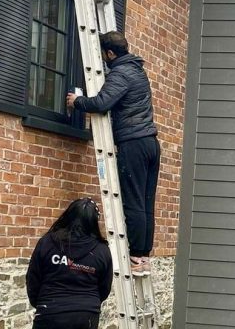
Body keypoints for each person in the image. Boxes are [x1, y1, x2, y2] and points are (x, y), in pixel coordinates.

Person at [66, 30, 160, 274]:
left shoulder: (122, 73)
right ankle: (143, 256)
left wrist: (77, 101)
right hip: (150, 142)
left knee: (134, 202)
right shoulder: (137, 70)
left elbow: (101, 103)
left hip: (134, 144)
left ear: (109, 53)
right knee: (146, 202)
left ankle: (136, 259)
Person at [26, 198, 113, 329]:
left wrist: (42, 304)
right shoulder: (102, 251)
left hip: (49, 312)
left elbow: (33, 279)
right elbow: (104, 288)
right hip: (86, 315)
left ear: (68, 215)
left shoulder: (47, 242)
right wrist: (87, 305)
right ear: (93, 222)